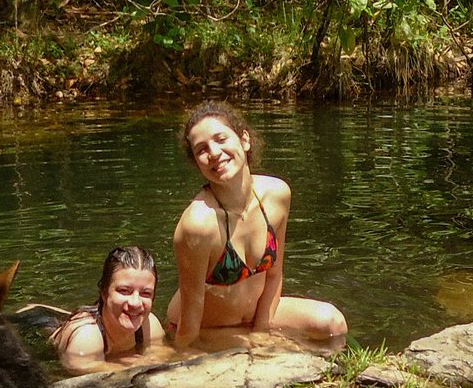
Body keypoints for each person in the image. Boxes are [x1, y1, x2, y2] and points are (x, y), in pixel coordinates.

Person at [166, 101, 347, 351]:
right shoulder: (198, 224)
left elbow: (274, 275)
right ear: (197, 163)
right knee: (246, 353)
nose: (215, 153)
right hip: (209, 328)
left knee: (333, 324)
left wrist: (262, 334)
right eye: (201, 150)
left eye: (221, 139)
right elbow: (189, 324)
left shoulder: (276, 195)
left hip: (257, 318)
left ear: (244, 140)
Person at [51, 245, 166, 374]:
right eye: (124, 291)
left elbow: (164, 358)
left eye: (145, 293)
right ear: (104, 293)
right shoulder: (86, 336)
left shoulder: (150, 325)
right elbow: (79, 367)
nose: (136, 303)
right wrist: (132, 367)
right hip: (36, 326)